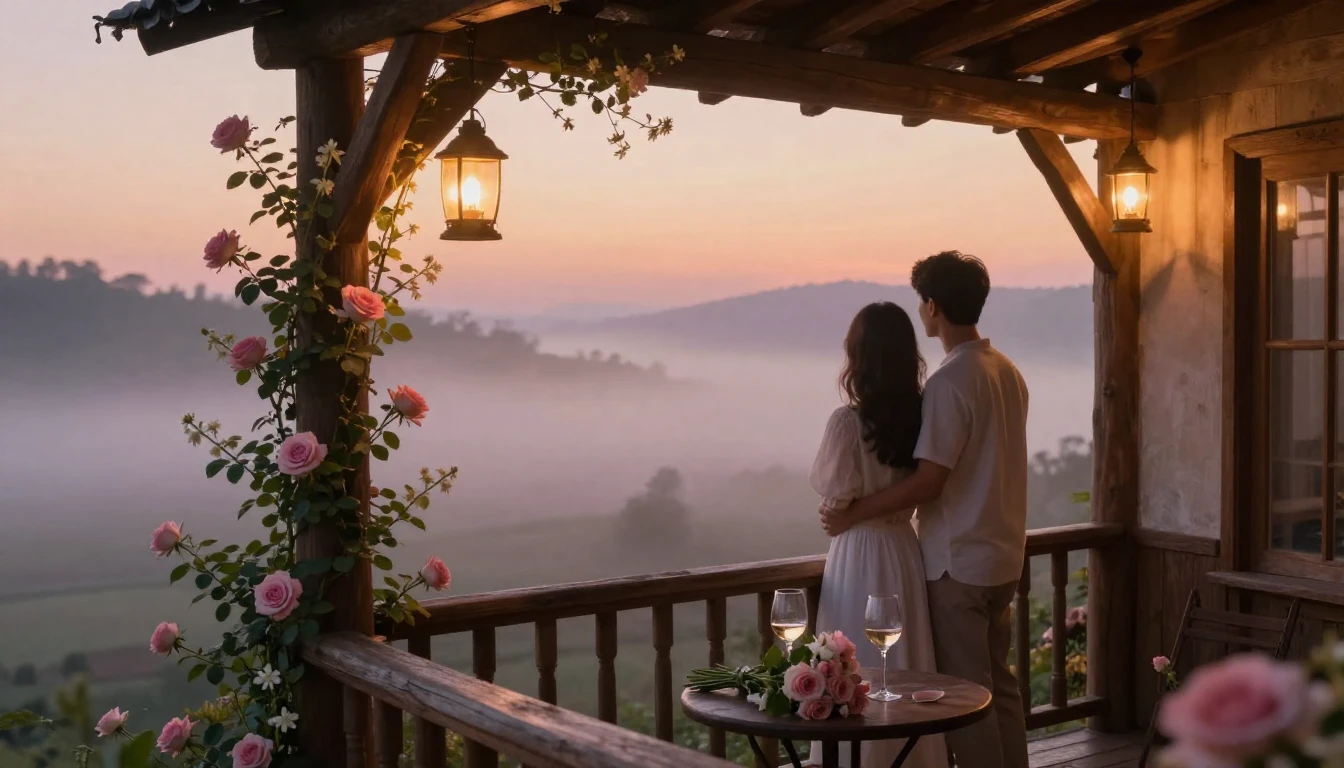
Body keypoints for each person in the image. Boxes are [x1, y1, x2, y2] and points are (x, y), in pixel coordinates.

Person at [820, 251, 1030, 768]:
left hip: (958, 563)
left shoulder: (950, 382)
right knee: (1001, 690)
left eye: (922, 301)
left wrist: (854, 513)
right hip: (1004, 556)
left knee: (964, 699)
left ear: (932, 306)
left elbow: (929, 481)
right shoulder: (1007, 371)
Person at [808, 301, 945, 768]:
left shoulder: (847, 423)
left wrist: (840, 513)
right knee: (900, 662)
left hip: (858, 553)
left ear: (857, 357)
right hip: (903, 550)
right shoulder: (922, 418)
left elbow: (834, 503)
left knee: (853, 662)